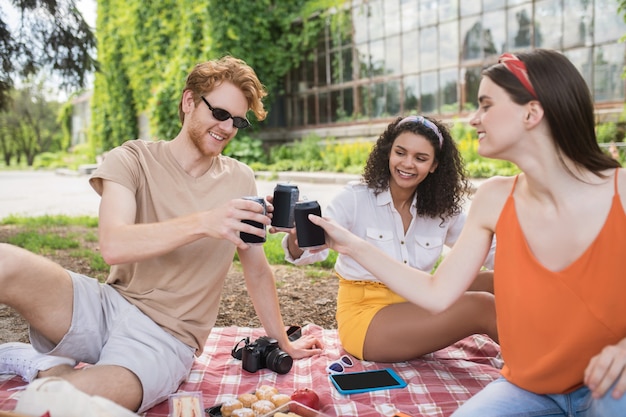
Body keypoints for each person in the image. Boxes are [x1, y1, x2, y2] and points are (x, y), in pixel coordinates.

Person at [309, 48, 626, 416]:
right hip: (530, 388)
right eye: (401, 153)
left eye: (486, 105)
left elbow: (496, 273)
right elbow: (438, 292)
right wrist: (349, 244)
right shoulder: (493, 197)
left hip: (610, 383)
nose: (473, 118)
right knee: (483, 304)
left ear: (531, 112)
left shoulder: (621, 190)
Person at [0, 55, 323, 412]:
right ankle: (51, 365)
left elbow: (257, 269)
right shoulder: (132, 159)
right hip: (108, 306)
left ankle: (46, 367)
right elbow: (113, 244)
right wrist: (206, 221)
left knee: (74, 402)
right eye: (219, 114)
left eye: (238, 121)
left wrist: (283, 342)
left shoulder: (239, 179)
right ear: (189, 102)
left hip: (167, 338)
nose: (228, 128)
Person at [276, 116, 497, 363]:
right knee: (483, 306)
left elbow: (491, 251)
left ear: (435, 165)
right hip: (367, 318)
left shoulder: (442, 209)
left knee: (498, 281)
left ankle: (543, 343)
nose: (407, 164)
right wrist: (298, 236)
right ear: (388, 152)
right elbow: (312, 251)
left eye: (420, 158)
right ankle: (533, 371)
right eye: (400, 153)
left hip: (418, 299)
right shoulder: (356, 198)